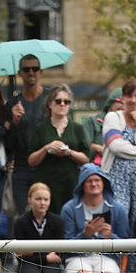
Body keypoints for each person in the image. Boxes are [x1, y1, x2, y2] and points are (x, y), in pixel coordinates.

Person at [62, 165, 129, 273]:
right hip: (78, 256)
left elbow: (126, 242)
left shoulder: (117, 208)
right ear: (82, 185)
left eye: (97, 180)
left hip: (106, 256)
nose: (93, 184)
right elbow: (65, 245)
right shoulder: (69, 208)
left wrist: (110, 236)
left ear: (104, 184)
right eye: (89, 181)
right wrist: (86, 234)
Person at [101, 77, 136, 227]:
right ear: (122, 99)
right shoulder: (113, 117)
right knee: (118, 214)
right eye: (129, 96)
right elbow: (115, 145)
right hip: (115, 175)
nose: (133, 100)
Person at [26, 83, 89, 211]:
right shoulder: (41, 128)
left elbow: (87, 158)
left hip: (70, 182)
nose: (62, 104)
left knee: (70, 217)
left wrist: (69, 152)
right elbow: (31, 160)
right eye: (58, 101)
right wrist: (46, 148)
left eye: (66, 102)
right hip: (46, 182)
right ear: (50, 104)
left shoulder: (77, 128)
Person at [3, 55, 47, 209]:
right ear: (19, 73)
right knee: (24, 218)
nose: (31, 72)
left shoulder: (51, 99)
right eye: (26, 69)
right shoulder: (12, 104)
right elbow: (8, 144)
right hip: (21, 169)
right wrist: (14, 122)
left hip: (46, 167)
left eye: (34, 69)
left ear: (41, 72)